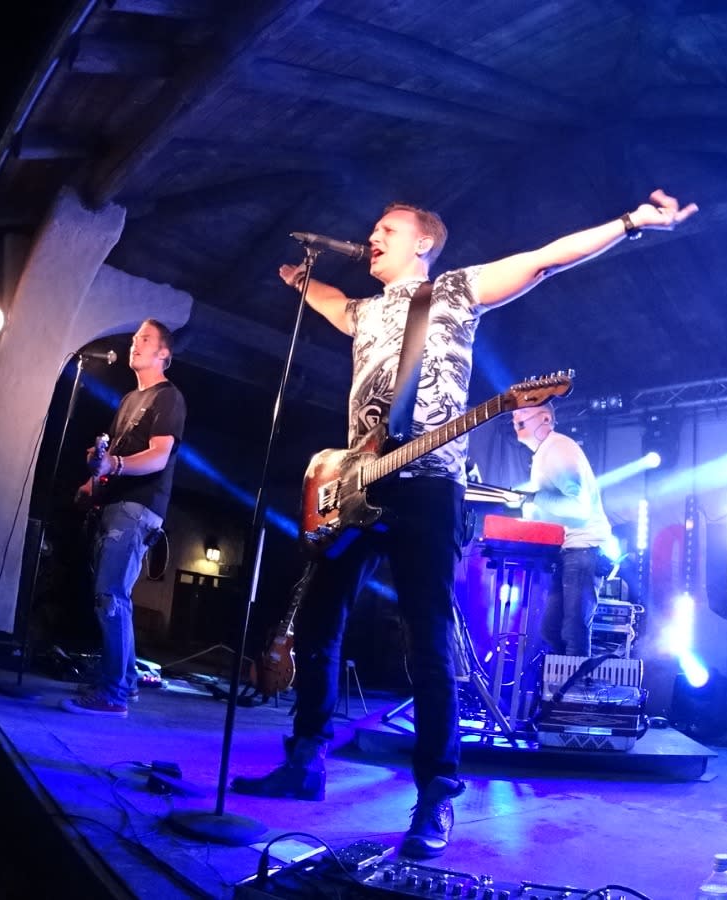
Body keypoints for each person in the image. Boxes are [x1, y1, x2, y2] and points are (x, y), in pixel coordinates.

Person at [232, 190, 698, 858]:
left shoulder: (453, 290)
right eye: (372, 228)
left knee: (426, 640)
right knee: (318, 625)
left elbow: (543, 259)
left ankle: (435, 794)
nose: (372, 236)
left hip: (428, 486)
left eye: (386, 228)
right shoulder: (365, 311)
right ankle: (305, 761)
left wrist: (629, 223)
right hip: (358, 486)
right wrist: (302, 279)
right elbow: (331, 303)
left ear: (422, 242)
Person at [60, 319, 186, 718]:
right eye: (134, 339)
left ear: (164, 354)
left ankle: (113, 693)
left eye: (144, 339)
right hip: (117, 503)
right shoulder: (130, 399)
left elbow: (159, 456)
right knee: (114, 596)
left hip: (139, 506)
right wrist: (94, 479)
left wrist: (112, 464)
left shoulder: (168, 397)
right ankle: (124, 682)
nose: (135, 343)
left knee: (111, 594)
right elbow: (115, 457)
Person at [510, 404, 612, 657]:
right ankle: (560, 680)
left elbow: (578, 507)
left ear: (545, 418)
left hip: (583, 550)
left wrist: (535, 498)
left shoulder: (558, 448)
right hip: (570, 552)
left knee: (572, 632)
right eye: (515, 413)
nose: (515, 415)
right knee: (552, 631)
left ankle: (574, 682)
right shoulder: (545, 452)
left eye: (524, 412)